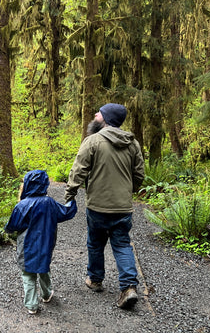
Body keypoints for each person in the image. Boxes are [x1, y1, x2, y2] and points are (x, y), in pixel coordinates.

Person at [64, 103, 144, 309]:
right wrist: (128, 190)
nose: (95, 114)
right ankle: (128, 287)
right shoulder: (132, 144)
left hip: (98, 206)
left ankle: (96, 279)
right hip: (123, 206)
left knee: (95, 242)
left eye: (99, 113)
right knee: (122, 245)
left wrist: (69, 194)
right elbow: (139, 175)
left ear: (106, 119)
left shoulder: (93, 141)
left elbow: (78, 170)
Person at [5, 169, 77, 315]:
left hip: (26, 246)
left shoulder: (22, 205)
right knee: (44, 268)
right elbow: (65, 212)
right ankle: (46, 294)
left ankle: (32, 305)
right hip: (46, 243)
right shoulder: (49, 203)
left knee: (28, 274)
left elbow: (12, 225)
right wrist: (71, 200)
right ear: (44, 184)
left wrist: (9, 231)